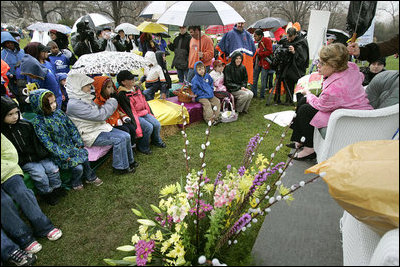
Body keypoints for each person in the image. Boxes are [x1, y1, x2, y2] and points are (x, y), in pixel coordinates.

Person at [288, 43, 373, 160]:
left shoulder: (335, 89)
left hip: (348, 117)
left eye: (322, 63)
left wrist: (308, 93)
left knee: (305, 110)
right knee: (303, 101)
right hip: (345, 107)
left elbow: (321, 105)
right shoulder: (351, 67)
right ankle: (300, 139)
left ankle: (310, 148)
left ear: (334, 66)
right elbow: (360, 77)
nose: (318, 65)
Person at [29, 89, 103, 190]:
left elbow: (71, 127)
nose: (54, 105)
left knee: (85, 158)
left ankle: (90, 177)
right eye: (50, 104)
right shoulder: (39, 122)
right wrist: (63, 155)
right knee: (78, 168)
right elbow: (48, 143)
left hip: (71, 146)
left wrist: (78, 142)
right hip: (60, 153)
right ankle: (75, 182)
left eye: (54, 101)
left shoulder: (59, 113)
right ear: (40, 106)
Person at [1, 133, 62, 256]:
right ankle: (24, 237)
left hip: (6, 170)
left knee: (22, 192)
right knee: (3, 201)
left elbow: (9, 151)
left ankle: (43, 226)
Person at [65, 73, 137, 175]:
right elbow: (100, 115)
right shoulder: (74, 104)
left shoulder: (84, 98)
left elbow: (98, 112)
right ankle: (120, 168)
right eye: (86, 85)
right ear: (78, 87)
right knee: (119, 139)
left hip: (98, 128)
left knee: (126, 135)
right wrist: (112, 101)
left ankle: (130, 162)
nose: (90, 86)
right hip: (89, 134)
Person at [1, 96, 66, 205]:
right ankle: (47, 193)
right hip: (24, 160)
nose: (15, 117)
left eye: (16, 113)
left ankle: (57, 188)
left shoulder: (25, 125)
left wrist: (43, 154)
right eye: (10, 114)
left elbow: (37, 142)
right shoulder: (3, 133)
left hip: (38, 155)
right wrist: (22, 161)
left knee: (52, 168)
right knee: (39, 174)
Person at [116, 70, 166, 155]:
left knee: (157, 124)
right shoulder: (122, 95)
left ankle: (156, 140)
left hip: (144, 112)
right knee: (148, 127)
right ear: (123, 82)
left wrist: (150, 113)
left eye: (133, 78)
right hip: (134, 115)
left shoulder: (136, 88)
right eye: (130, 79)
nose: (133, 80)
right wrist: (136, 124)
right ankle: (143, 147)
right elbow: (129, 111)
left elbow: (144, 101)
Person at [93, 75, 137, 146]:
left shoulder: (111, 98)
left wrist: (124, 117)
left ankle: (131, 146)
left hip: (117, 120)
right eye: (108, 87)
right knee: (126, 130)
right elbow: (102, 117)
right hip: (109, 124)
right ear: (101, 89)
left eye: (112, 86)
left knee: (131, 127)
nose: (111, 89)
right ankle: (125, 147)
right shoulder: (97, 103)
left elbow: (118, 110)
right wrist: (115, 121)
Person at [276, 27, 309, 105]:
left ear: (295, 35)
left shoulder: (301, 42)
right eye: (287, 36)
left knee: (299, 86)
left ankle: (300, 102)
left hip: (298, 69)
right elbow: (280, 43)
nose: (289, 39)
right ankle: (289, 100)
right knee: (288, 83)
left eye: (290, 37)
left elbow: (303, 57)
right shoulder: (286, 40)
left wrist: (294, 52)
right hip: (289, 68)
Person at [191, 61, 221, 125]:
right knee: (207, 104)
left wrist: (211, 89)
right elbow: (195, 90)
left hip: (209, 94)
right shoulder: (195, 80)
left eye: (202, 69)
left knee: (217, 101)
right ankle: (210, 120)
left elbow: (211, 83)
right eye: (199, 69)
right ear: (196, 70)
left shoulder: (207, 76)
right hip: (201, 96)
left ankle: (216, 117)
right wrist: (202, 94)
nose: (201, 71)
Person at [1, 31, 25, 96]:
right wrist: (9, 74)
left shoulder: (22, 52)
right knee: (18, 96)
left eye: (11, 42)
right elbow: (2, 68)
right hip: (13, 81)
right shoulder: (3, 55)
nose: (10, 44)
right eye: (7, 43)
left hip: (24, 77)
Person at [252, 29, 273, 99]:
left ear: (260, 36)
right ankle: (254, 94)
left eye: (255, 36)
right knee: (254, 78)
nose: (254, 38)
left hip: (265, 62)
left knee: (263, 80)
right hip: (258, 61)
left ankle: (262, 96)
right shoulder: (257, 42)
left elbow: (270, 51)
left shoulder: (267, 40)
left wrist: (260, 53)